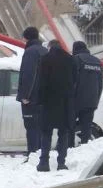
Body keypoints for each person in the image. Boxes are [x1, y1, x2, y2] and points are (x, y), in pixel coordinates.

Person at [37, 40, 75, 172]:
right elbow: (74, 80)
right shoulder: (70, 59)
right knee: (63, 133)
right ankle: (61, 163)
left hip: (48, 102)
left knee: (46, 133)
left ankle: (44, 163)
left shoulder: (45, 59)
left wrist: (39, 100)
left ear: (50, 47)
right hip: (65, 102)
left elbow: (41, 81)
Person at [17, 26, 48, 157]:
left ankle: (33, 153)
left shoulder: (30, 52)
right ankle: (41, 153)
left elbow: (29, 74)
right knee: (41, 127)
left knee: (31, 127)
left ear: (26, 37)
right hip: (44, 96)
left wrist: (25, 95)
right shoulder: (45, 51)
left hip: (32, 98)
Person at [70, 41, 103, 146]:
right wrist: (96, 101)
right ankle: (85, 146)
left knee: (70, 125)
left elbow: (71, 81)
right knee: (86, 127)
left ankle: (69, 147)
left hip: (76, 101)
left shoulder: (76, 59)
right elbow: (100, 84)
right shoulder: (97, 62)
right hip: (91, 101)